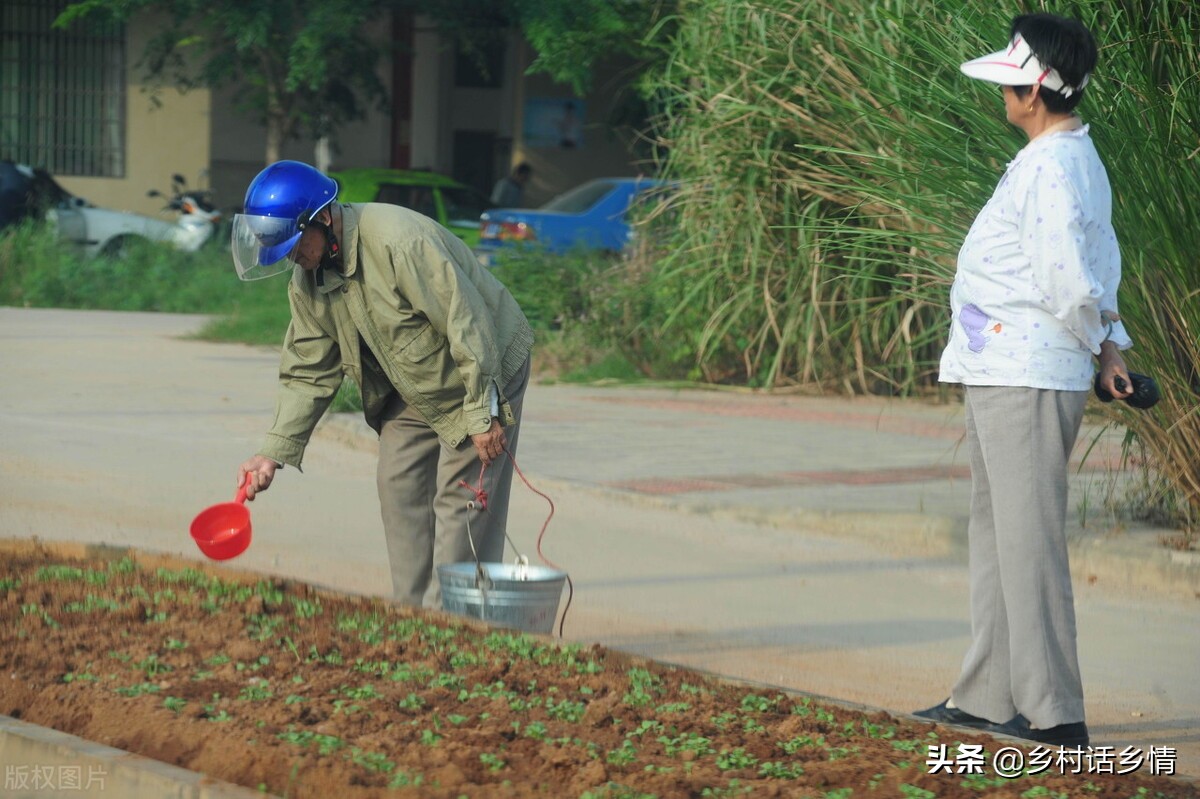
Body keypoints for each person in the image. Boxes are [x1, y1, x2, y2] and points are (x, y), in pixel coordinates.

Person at [914, 14, 1136, 749]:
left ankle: (1053, 711)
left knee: (1027, 538)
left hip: (1028, 373)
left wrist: (1104, 347)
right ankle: (986, 695)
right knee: (999, 533)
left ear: (1034, 91)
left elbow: (1070, 278)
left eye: (1010, 83)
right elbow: (1098, 268)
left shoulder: (1052, 165)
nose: (1002, 94)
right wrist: (1110, 346)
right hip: (1005, 368)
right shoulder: (1071, 155)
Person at [230, 160, 534, 608]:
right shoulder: (308, 281)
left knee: (461, 503)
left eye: (295, 245)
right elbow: (308, 369)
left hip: (480, 369)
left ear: (323, 219)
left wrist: (483, 412)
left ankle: (458, 627)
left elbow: (467, 325)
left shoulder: (398, 241)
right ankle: (412, 618)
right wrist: (273, 451)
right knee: (399, 489)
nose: (294, 257)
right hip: (410, 384)